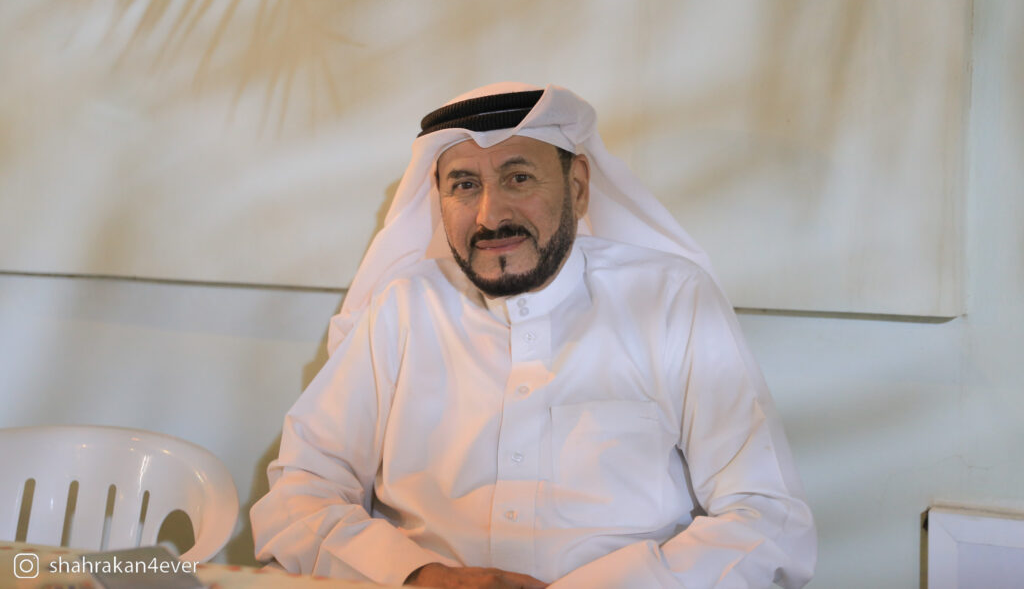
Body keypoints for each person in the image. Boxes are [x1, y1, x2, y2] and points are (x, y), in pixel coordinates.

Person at [250, 83, 816, 588]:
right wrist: (422, 577)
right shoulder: (403, 307)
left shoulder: (670, 299)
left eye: (518, 178)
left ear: (579, 186)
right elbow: (301, 493)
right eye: (464, 185)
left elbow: (767, 519)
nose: (490, 216)